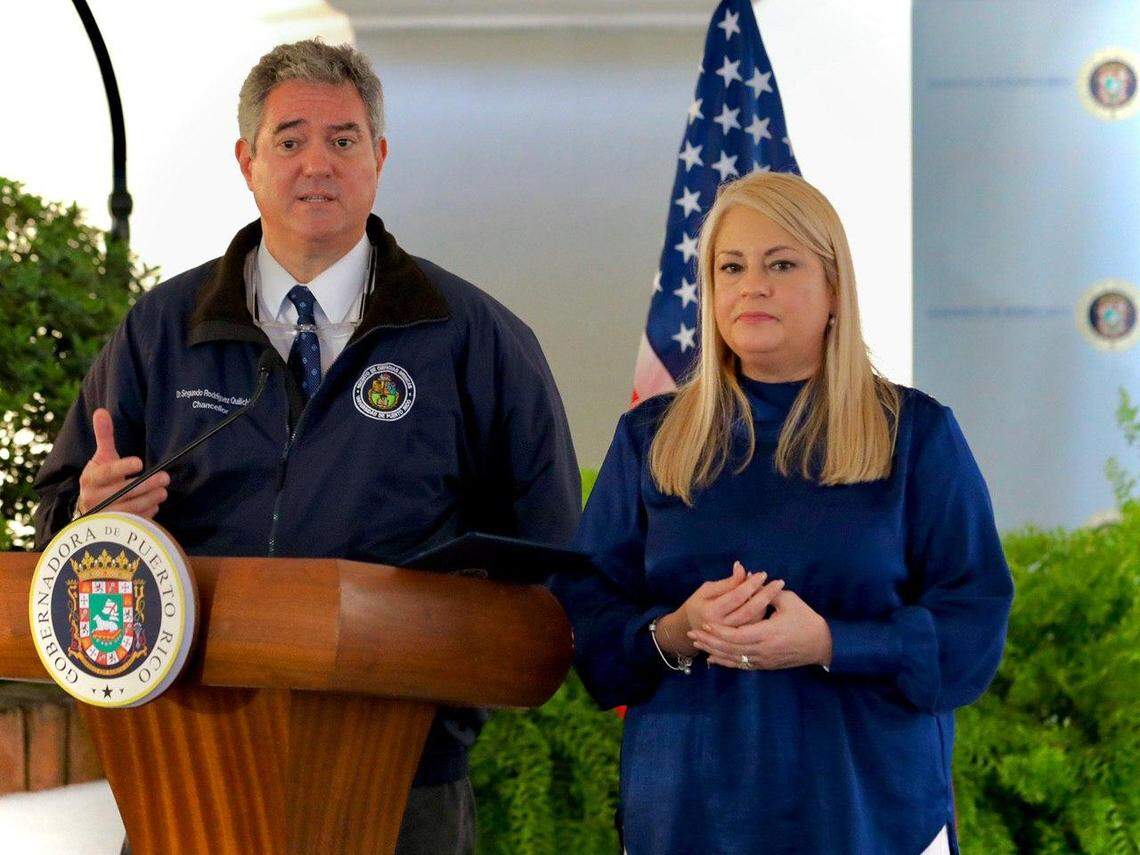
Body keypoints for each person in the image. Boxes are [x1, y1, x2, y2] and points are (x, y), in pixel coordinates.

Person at [34, 39, 580, 855]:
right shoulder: (161, 330)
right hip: (190, 768)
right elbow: (56, 530)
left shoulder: (475, 338)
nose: (316, 164)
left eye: (344, 139)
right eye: (289, 140)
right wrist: (88, 516)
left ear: (380, 157)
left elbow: (547, 561)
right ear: (248, 161)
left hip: (402, 775)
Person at [552, 172, 1013, 855]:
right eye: (731, 267)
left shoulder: (914, 435)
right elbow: (583, 620)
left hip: (871, 818)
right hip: (686, 820)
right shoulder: (651, 439)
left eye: (781, 263)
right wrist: (675, 631)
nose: (752, 285)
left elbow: (973, 627)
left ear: (833, 290)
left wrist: (831, 642)